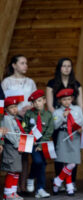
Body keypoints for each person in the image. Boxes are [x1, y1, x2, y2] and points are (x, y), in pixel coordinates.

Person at [46, 58, 83, 191]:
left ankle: (71, 182)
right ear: (59, 68)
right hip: (59, 120)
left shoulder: (76, 83)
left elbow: (81, 104)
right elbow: (50, 105)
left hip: (73, 121)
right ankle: (60, 180)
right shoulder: (52, 83)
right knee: (60, 154)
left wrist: (74, 118)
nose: (67, 68)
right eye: (64, 66)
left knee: (73, 153)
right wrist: (59, 115)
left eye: (69, 66)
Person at [2, 55, 37, 193]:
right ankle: (12, 188)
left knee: (25, 152)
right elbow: (2, 102)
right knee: (14, 151)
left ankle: (22, 185)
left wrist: (30, 107)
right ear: (14, 65)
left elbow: (35, 100)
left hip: (27, 120)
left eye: (26, 63)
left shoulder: (30, 82)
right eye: (22, 63)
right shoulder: (6, 82)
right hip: (12, 120)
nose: (25, 66)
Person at [52, 89, 83, 196]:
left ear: (72, 99)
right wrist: (63, 116)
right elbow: (54, 126)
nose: (67, 102)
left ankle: (57, 180)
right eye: (64, 100)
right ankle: (69, 185)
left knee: (72, 162)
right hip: (63, 136)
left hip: (75, 136)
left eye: (69, 99)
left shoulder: (77, 109)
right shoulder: (57, 111)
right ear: (60, 101)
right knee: (64, 162)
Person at [24, 90, 54, 198]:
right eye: (35, 102)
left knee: (42, 164)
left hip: (43, 143)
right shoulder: (29, 114)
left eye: (39, 101)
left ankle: (40, 189)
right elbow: (25, 128)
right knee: (37, 161)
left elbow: (49, 131)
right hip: (32, 143)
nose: (37, 103)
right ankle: (31, 177)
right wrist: (31, 138)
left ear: (44, 101)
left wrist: (41, 144)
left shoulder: (48, 115)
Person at [1, 96, 24, 200]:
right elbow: (10, 135)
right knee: (11, 170)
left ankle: (13, 192)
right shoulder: (6, 119)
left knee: (16, 170)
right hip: (11, 147)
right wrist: (18, 145)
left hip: (17, 148)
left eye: (16, 106)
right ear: (6, 109)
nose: (15, 109)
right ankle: (7, 193)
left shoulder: (15, 119)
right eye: (11, 107)